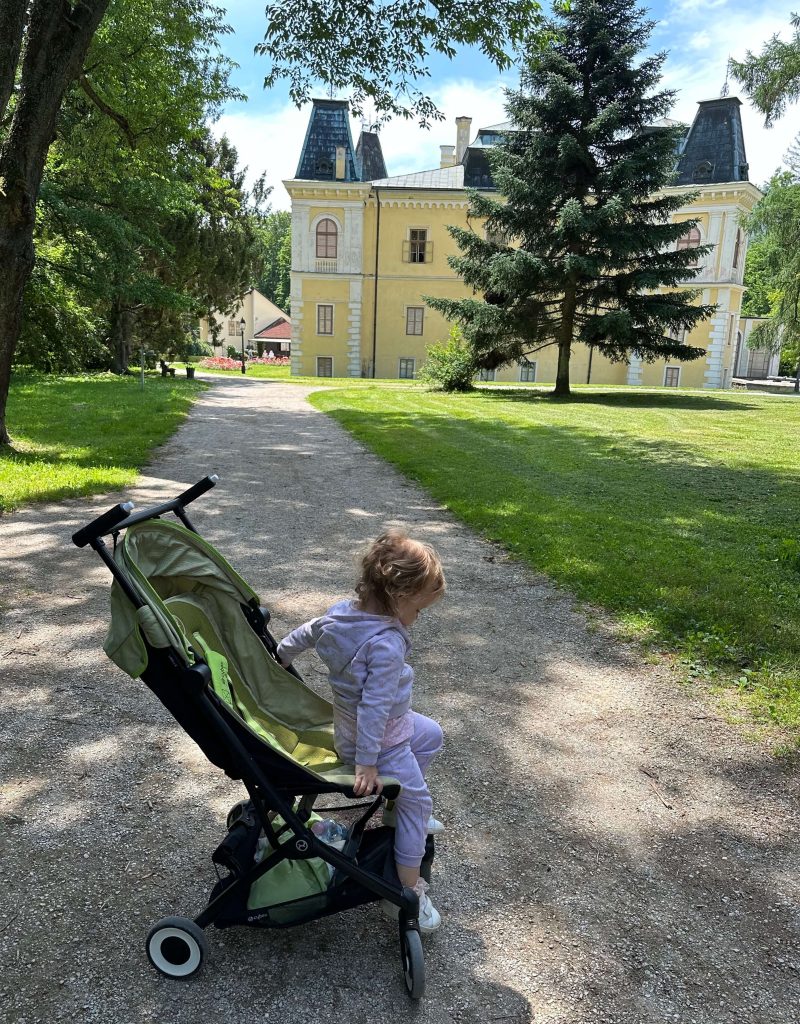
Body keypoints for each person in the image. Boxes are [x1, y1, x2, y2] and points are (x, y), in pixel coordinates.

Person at [276, 530, 446, 931]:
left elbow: (308, 630)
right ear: (400, 596)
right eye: (419, 610)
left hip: (359, 729)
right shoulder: (385, 645)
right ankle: (407, 893)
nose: (418, 619)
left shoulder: (340, 613)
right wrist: (368, 764)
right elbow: (375, 708)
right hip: (380, 741)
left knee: (431, 734)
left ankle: (393, 806)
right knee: (419, 803)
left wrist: (280, 655)